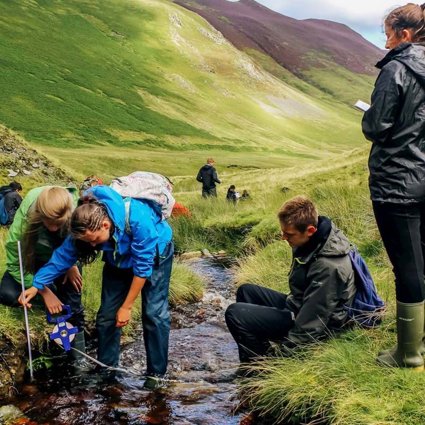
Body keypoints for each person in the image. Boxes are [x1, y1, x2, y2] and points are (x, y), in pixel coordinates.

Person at [19, 185, 174, 390]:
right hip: (117, 259)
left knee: (154, 314)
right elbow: (62, 258)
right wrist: (37, 285)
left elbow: (142, 270)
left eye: (94, 241)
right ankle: (108, 371)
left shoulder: (138, 219)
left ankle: (156, 374)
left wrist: (126, 307)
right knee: (106, 317)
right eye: (88, 243)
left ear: (105, 224)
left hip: (155, 257)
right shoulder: (85, 226)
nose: (92, 246)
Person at [362, 3, 425, 369]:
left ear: (403, 34)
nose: (384, 42)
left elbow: (377, 126)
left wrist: (368, 115)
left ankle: (409, 353)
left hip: (397, 183)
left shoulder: (397, 69)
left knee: (408, 269)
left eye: (387, 34)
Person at [225, 196, 356, 364]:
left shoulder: (328, 267)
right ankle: (262, 351)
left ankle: (260, 370)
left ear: (310, 230)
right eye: (283, 232)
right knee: (247, 291)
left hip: (324, 326)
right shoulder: (313, 240)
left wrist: (283, 358)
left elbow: (313, 321)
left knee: (235, 314)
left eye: (289, 234)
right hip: (301, 305)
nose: (284, 238)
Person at [0, 186, 85, 361]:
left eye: (58, 224)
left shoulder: (76, 211)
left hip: (62, 262)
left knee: (72, 307)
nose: (53, 228)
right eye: (49, 222)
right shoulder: (25, 220)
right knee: (7, 294)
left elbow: (80, 244)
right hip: (32, 262)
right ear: (39, 215)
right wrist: (44, 291)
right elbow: (15, 264)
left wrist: (72, 264)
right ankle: (47, 295)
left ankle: (78, 358)